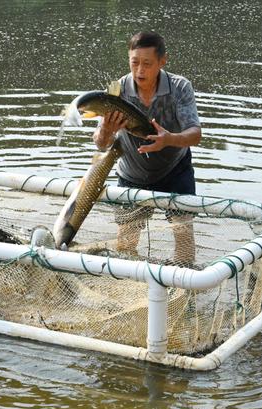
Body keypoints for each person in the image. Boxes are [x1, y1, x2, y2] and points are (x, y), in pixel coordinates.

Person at [93, 31, 201, 264]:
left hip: (175, 171)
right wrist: (106, 131)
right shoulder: (117, 89)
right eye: (135, 63)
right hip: (132, 175)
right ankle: (131, 290)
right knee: (126, 244)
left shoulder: (180, 87)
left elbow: (195, 134)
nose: (140, 70)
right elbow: (101, 145)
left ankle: (184, 291)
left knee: (183, 239)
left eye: (147, 64)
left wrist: (168, 139)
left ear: (162, 61)